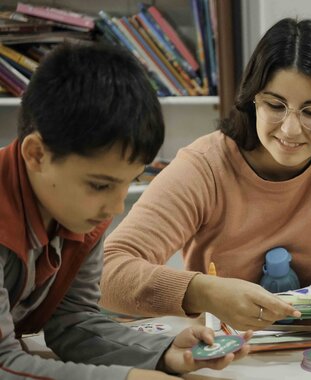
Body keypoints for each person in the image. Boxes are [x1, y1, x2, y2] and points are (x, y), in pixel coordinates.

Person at [100, 17, 311, 331]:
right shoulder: (204, 165)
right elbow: (107, 271)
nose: (290, 129)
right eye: (275, 105)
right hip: (229, 357)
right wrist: (203, 292)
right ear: (252, 98)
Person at [0, 43, 252, 380]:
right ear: (36, 155)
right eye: (100, 185)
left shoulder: (79, 212)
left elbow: (73, 322)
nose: (116, 207)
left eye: (128, 183)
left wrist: (164, 354)